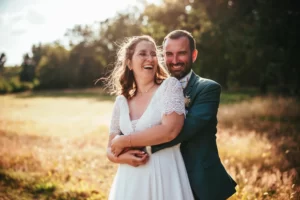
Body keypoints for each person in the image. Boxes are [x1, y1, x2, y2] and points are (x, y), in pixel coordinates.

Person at [111, 30, 237, 200]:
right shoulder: (156, 89)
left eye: (182, 53)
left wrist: (128, 144)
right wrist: (118, 155)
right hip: (153, 175)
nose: (175, 60)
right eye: (169, 54)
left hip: (197, 179)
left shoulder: (207, 89)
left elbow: (178, 131)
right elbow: (111, 144)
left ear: (193, 55)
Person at [106, 35, 194, 200]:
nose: (150, 58)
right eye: (143, 54)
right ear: (129, 63)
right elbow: (110, 149)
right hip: (129, 180)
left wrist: (126, 141)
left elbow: (170, 130)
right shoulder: (121, 101)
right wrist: (122, 158)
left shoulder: (169, 86)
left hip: (163, 174)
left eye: (154, 54)